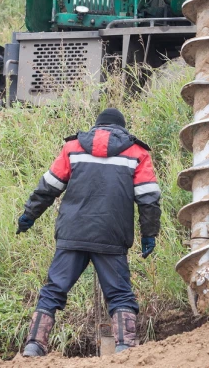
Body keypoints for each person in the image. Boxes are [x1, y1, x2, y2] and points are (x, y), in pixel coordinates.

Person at [16, 108, 161, 356]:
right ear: (122, 129)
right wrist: (149, 233)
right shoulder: (137, 153)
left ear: (96, 126)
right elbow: (148, 199)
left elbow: (48, 187)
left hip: (73, 233)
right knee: (119, 294)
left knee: (54, 289)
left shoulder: (73, 148)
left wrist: (30, 214)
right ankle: (125, 348)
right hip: (111, 235)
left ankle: (34, 345)